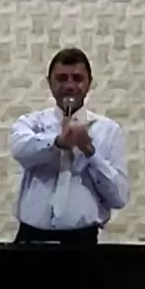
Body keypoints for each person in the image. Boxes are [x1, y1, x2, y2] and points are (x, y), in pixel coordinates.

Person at [10, 47, 129, 244]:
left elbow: (119, 197)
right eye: (62, 78)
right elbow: (20, 150)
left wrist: (90, 152)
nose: (70, 85)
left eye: (77, 78)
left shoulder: (108, 130)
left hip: (82, 240)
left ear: (89, 83)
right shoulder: (31, 123)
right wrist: (57, 142)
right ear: (50, 83)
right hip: (32, 237)